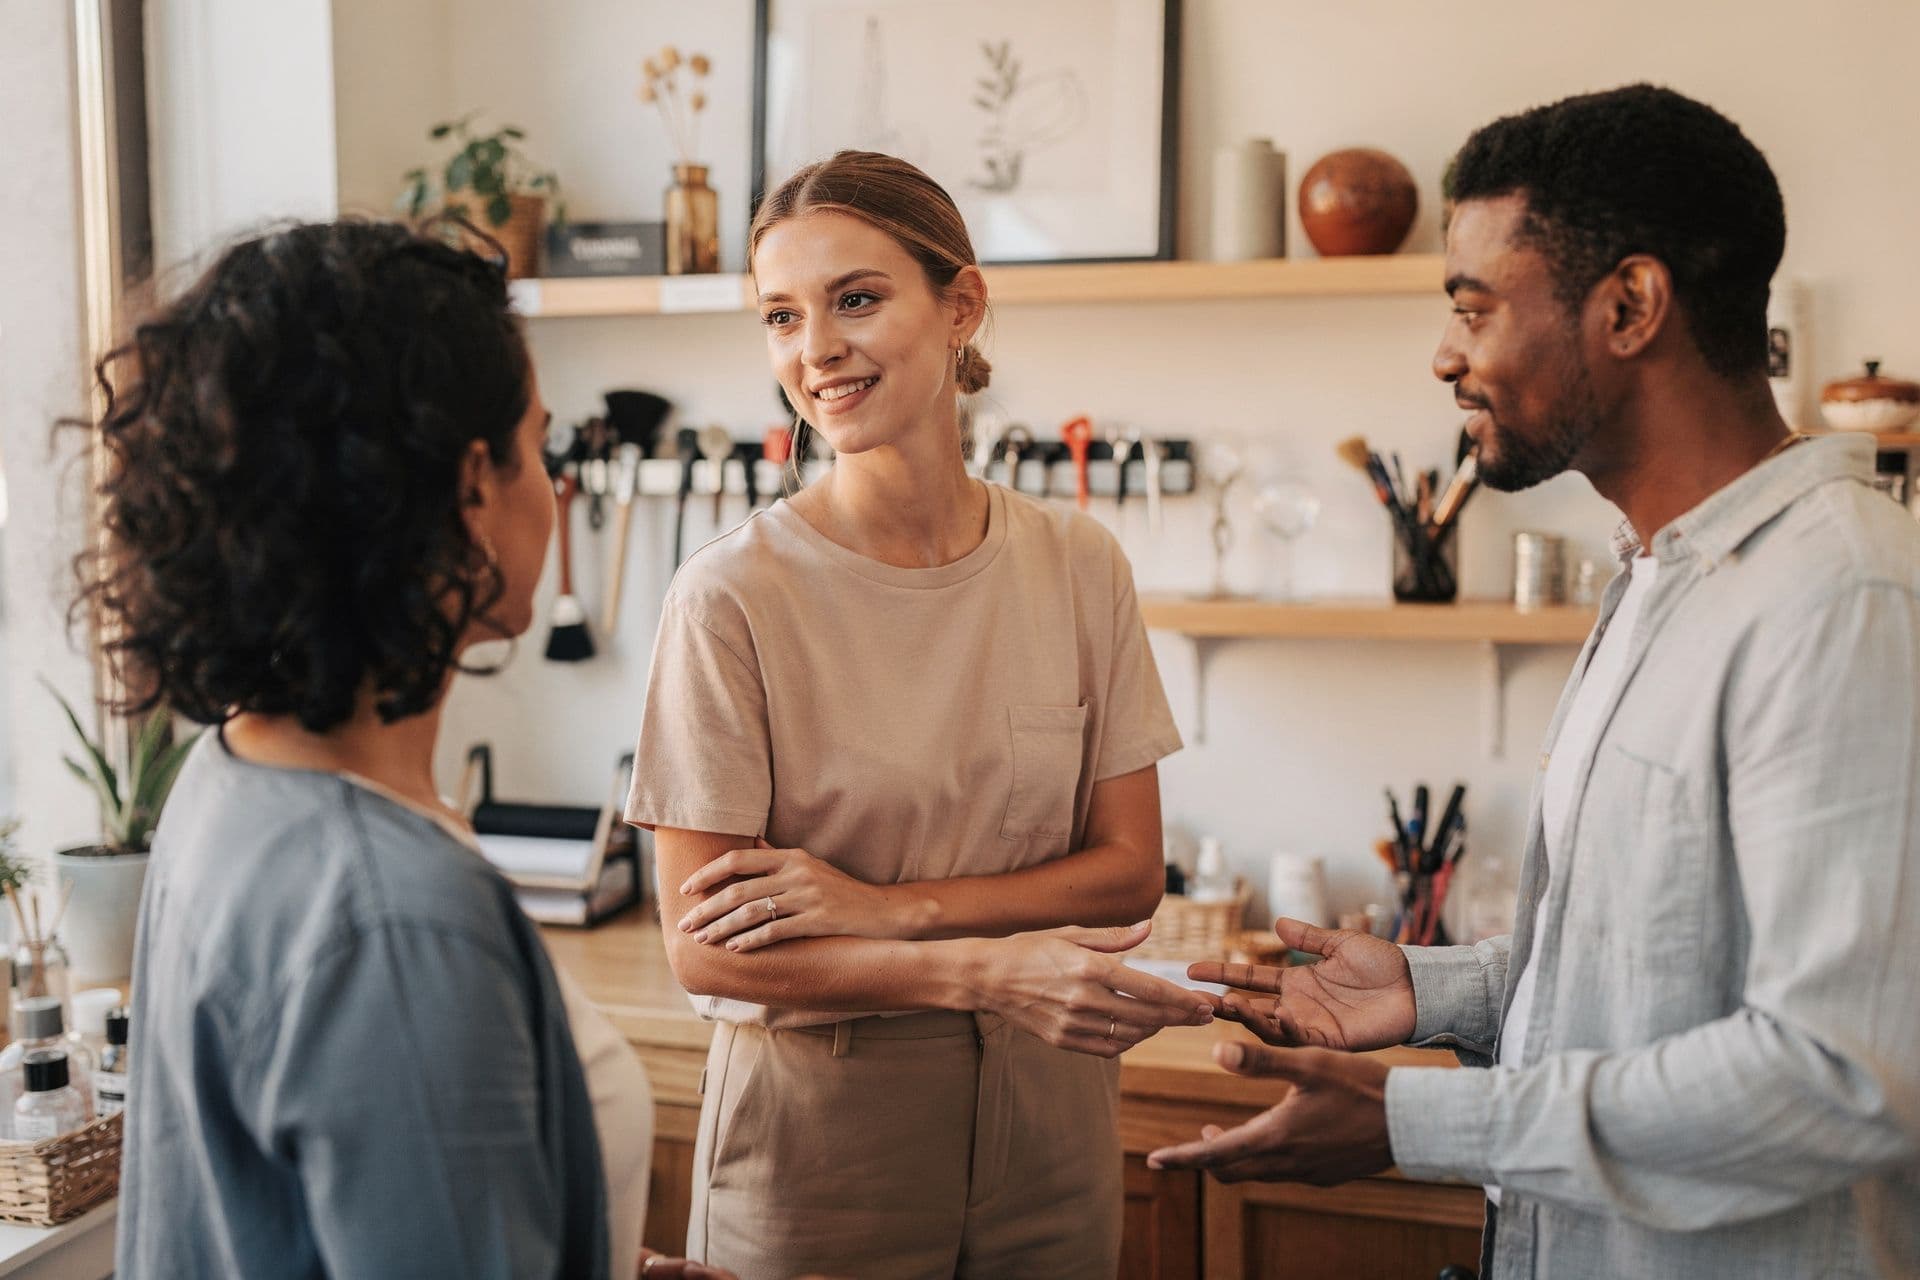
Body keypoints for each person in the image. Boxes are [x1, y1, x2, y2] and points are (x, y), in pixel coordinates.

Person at [1147, 84, 1920, 1278]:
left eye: (1476, 307)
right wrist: (1426, 987)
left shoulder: (1842, 601)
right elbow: (1651, 961)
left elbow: (1837, 1074)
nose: (1447, 354)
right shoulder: (1661, 575)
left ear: (1629, 306)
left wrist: (1415, 1120)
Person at [87, 220, 725, 1279]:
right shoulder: (394, 919)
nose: (556, 491)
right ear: (472, 488)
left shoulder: (233, 769)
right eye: (539, 445)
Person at [626, 150, 1211, 1280]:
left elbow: (1129, 869)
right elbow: (705, 946)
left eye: (857, 298)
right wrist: (982, 963)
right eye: (781, 316)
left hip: (1054, 1122)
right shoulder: (730, 597)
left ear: (962, 305)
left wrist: (884, 911)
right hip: (821, 1150)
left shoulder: (1079, 563)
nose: (816, 350)